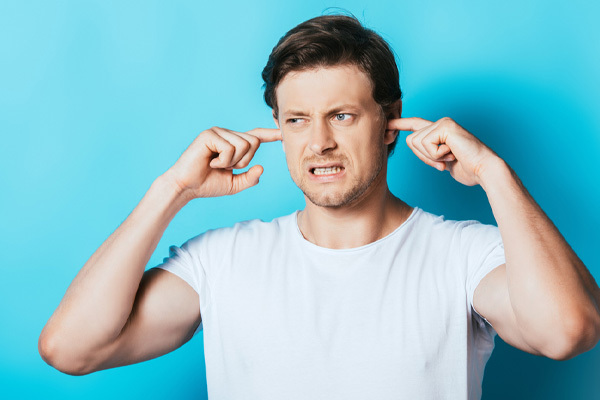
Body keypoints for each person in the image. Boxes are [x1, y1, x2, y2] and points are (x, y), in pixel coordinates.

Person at [39, 14, 600, 399]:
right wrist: (171, 192)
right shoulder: (222, 260)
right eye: (297, 120)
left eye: (343, 115)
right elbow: (71, 348)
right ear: (278, 128)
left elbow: (566, 332)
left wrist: (494, 176)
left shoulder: (464, 254)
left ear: (389, 121)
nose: (320, 143)